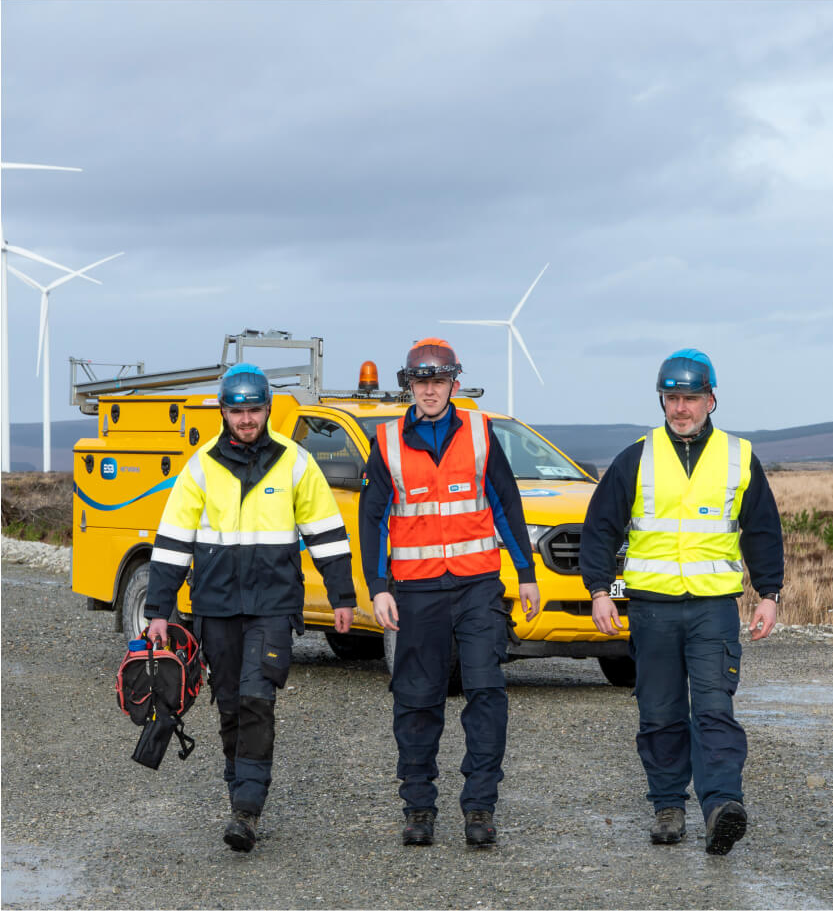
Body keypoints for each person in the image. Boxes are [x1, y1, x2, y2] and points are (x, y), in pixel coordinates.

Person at [144, 363, 356, 853]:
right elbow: (173, 543)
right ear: (224, 411)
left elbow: (326, 534)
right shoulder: (200, 467)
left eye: (254, 410)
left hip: (273, 605)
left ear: (267, 409)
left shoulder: (296, 462)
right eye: (236, 411)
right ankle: (238, 792)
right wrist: (159, 610)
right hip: (215, 607)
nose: (245, 420)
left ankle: (247, 809)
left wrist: (342, 596)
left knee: (258, 697)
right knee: (232, 704)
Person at [580, 349, 783, 855]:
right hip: (652, 608)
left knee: (715, 709)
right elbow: (601, 527)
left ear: (711, 399)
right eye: (672, 398)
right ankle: (668, 805)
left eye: (691, 397)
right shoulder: (637, 457)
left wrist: (770, 594)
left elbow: (762, 529)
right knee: (661, 711)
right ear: (663, 401)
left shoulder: (739, 456)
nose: (681, 408)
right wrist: (600, 591)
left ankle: (721, 807)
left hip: (714, 607)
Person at [358, 337, 540, 848]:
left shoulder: (481, 433)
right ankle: (419, 809)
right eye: (421, 381)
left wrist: (525, 574)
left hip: (478, 587)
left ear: (454, 383)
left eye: (439, 381)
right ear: (408, 385)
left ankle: (480, 807)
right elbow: (372, 519)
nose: (430, 390)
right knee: (416, 700)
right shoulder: (388, 441)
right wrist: (378, 588)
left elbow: (506, 504)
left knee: (486, 693)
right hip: (415, 593)